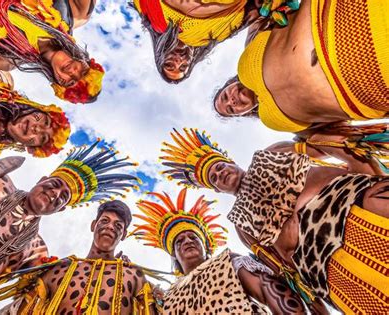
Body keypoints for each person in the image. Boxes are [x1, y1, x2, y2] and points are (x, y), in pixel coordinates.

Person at [159, 128, 389, 313]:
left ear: (229, 160)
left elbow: (324, 144)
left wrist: (368, 173)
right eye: (214, 178)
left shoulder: (273, 151)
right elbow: (281, 269)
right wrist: (316, 306)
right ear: (217, 190)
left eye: (219, 167)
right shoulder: (241, 226)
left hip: (352, 201)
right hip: (323, 266)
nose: (220, 174)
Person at [0, 140, 139, 314]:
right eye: (55, 185)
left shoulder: (37, 249)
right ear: (41, 179)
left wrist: (113, 270)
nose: (54, 194)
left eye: (62, 198)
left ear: (59, 210)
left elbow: (63, 286)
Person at [214, 0, 387, 132]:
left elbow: (258, 11)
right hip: (373, 88)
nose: (232, 100)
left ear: (229, 84)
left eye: (224, 96)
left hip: (348, 18)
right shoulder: (279, 124)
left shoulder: (248, 49)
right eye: (231, 109)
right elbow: (334, 134)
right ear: (242, 113)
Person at [132, 187, 309, 314]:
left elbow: (268, 288)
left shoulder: (228, 262)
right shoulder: (169, 299)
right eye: (179, 241)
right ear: (174, 255)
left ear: (205, 245)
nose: (187, 241)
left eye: (193, 237)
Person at [0, 199, 156, 315]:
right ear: (93, 225)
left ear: (124, 234)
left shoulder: (133, 276)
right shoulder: (58, 270)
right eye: (104, 221)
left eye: (118, 225)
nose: (110, 227)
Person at [131, 0, 299, 83]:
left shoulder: (155, 19)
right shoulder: (217, 34)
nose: (178, 61)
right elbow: (254, 12)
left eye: (169, 65)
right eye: (183, 67)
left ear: (160, 56)